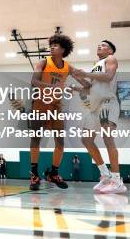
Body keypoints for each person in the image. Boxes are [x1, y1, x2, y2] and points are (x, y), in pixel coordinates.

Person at [28, 34, 85, 191]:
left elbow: (84, 82)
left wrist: (87, 82)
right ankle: (34, 174)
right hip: (40, 103)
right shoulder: (43, 62)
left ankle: (53, 173)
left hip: (56, 106)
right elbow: (34, 81)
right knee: (36, 139)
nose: (52, 47)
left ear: (63, 49)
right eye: (51, 44)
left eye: (56, 45)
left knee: (60, 143)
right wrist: (52, 87)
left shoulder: (68, 67)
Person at [73, 40, 126, 194]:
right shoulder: (95, 65)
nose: (99, 45)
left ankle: (117, 181)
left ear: (110, 51)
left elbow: (108, 77)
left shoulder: (110, 60)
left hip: (107, 104)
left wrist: (86, 74)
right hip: (95, 107)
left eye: (103, 45)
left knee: (107, 138)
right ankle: (105, 174)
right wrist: (76, 80)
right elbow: (88, 87)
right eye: (99, 44)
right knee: (86, 139)